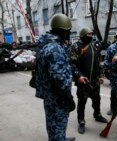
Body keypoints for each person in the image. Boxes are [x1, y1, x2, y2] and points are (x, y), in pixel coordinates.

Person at [35, 13, 76, 141]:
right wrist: (69, 99)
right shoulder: (54, 48)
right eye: (68, 32)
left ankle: (60, 138)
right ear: (63, 31)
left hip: (50, 97)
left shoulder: (47, 45)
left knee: (53, 125)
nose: (69, 34)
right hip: (58, 98)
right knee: (58, 125)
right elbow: (59, 79)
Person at [68, 27, 107, 134]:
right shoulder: (75, 46)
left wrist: (100, 75)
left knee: (97, 99)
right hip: (83, 80)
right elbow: (71, 64)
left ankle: (97, 115)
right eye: (89, 35)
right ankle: (81, 121)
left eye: (92, 35)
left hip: (94, 80)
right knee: (82, 102)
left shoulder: (94, 46)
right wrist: (78, 76)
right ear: (83, 35)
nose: (91, 37)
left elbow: (97, 62)